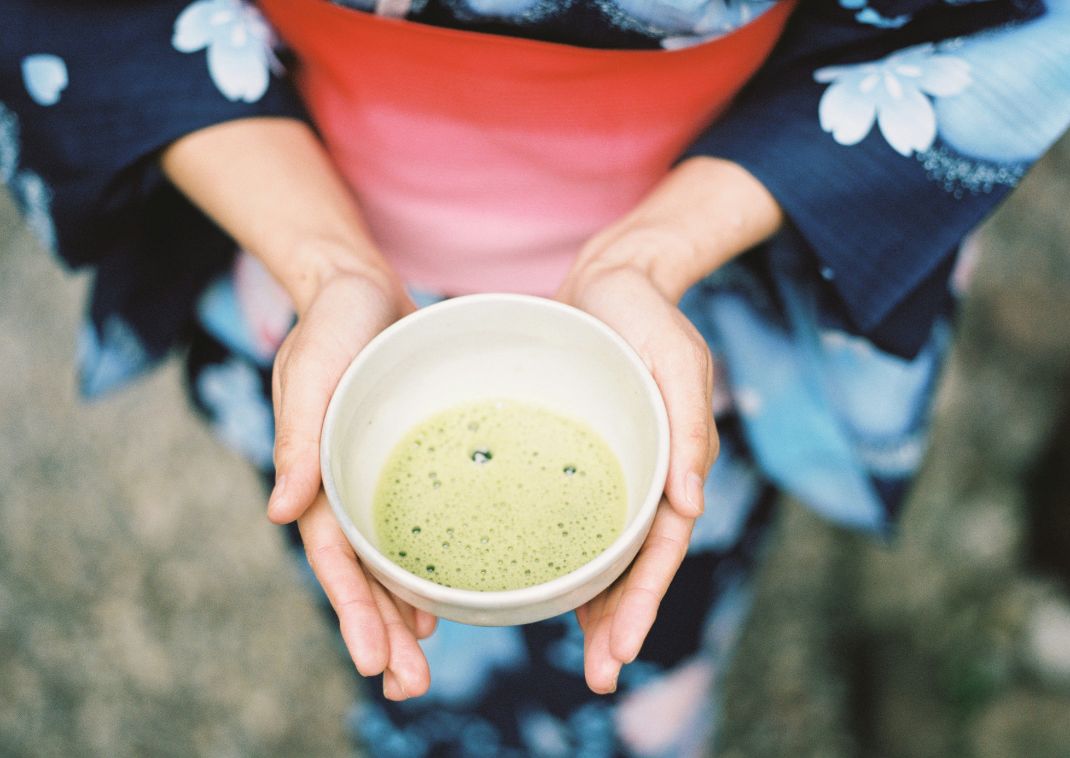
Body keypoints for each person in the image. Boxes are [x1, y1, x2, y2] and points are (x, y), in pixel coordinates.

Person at [4, 0, 1069, 754]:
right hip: (313, 275)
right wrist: (328, 264)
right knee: (391, 626)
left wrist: (645, 257)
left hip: (688, 301)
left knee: (655, 640)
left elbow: (983, 27)